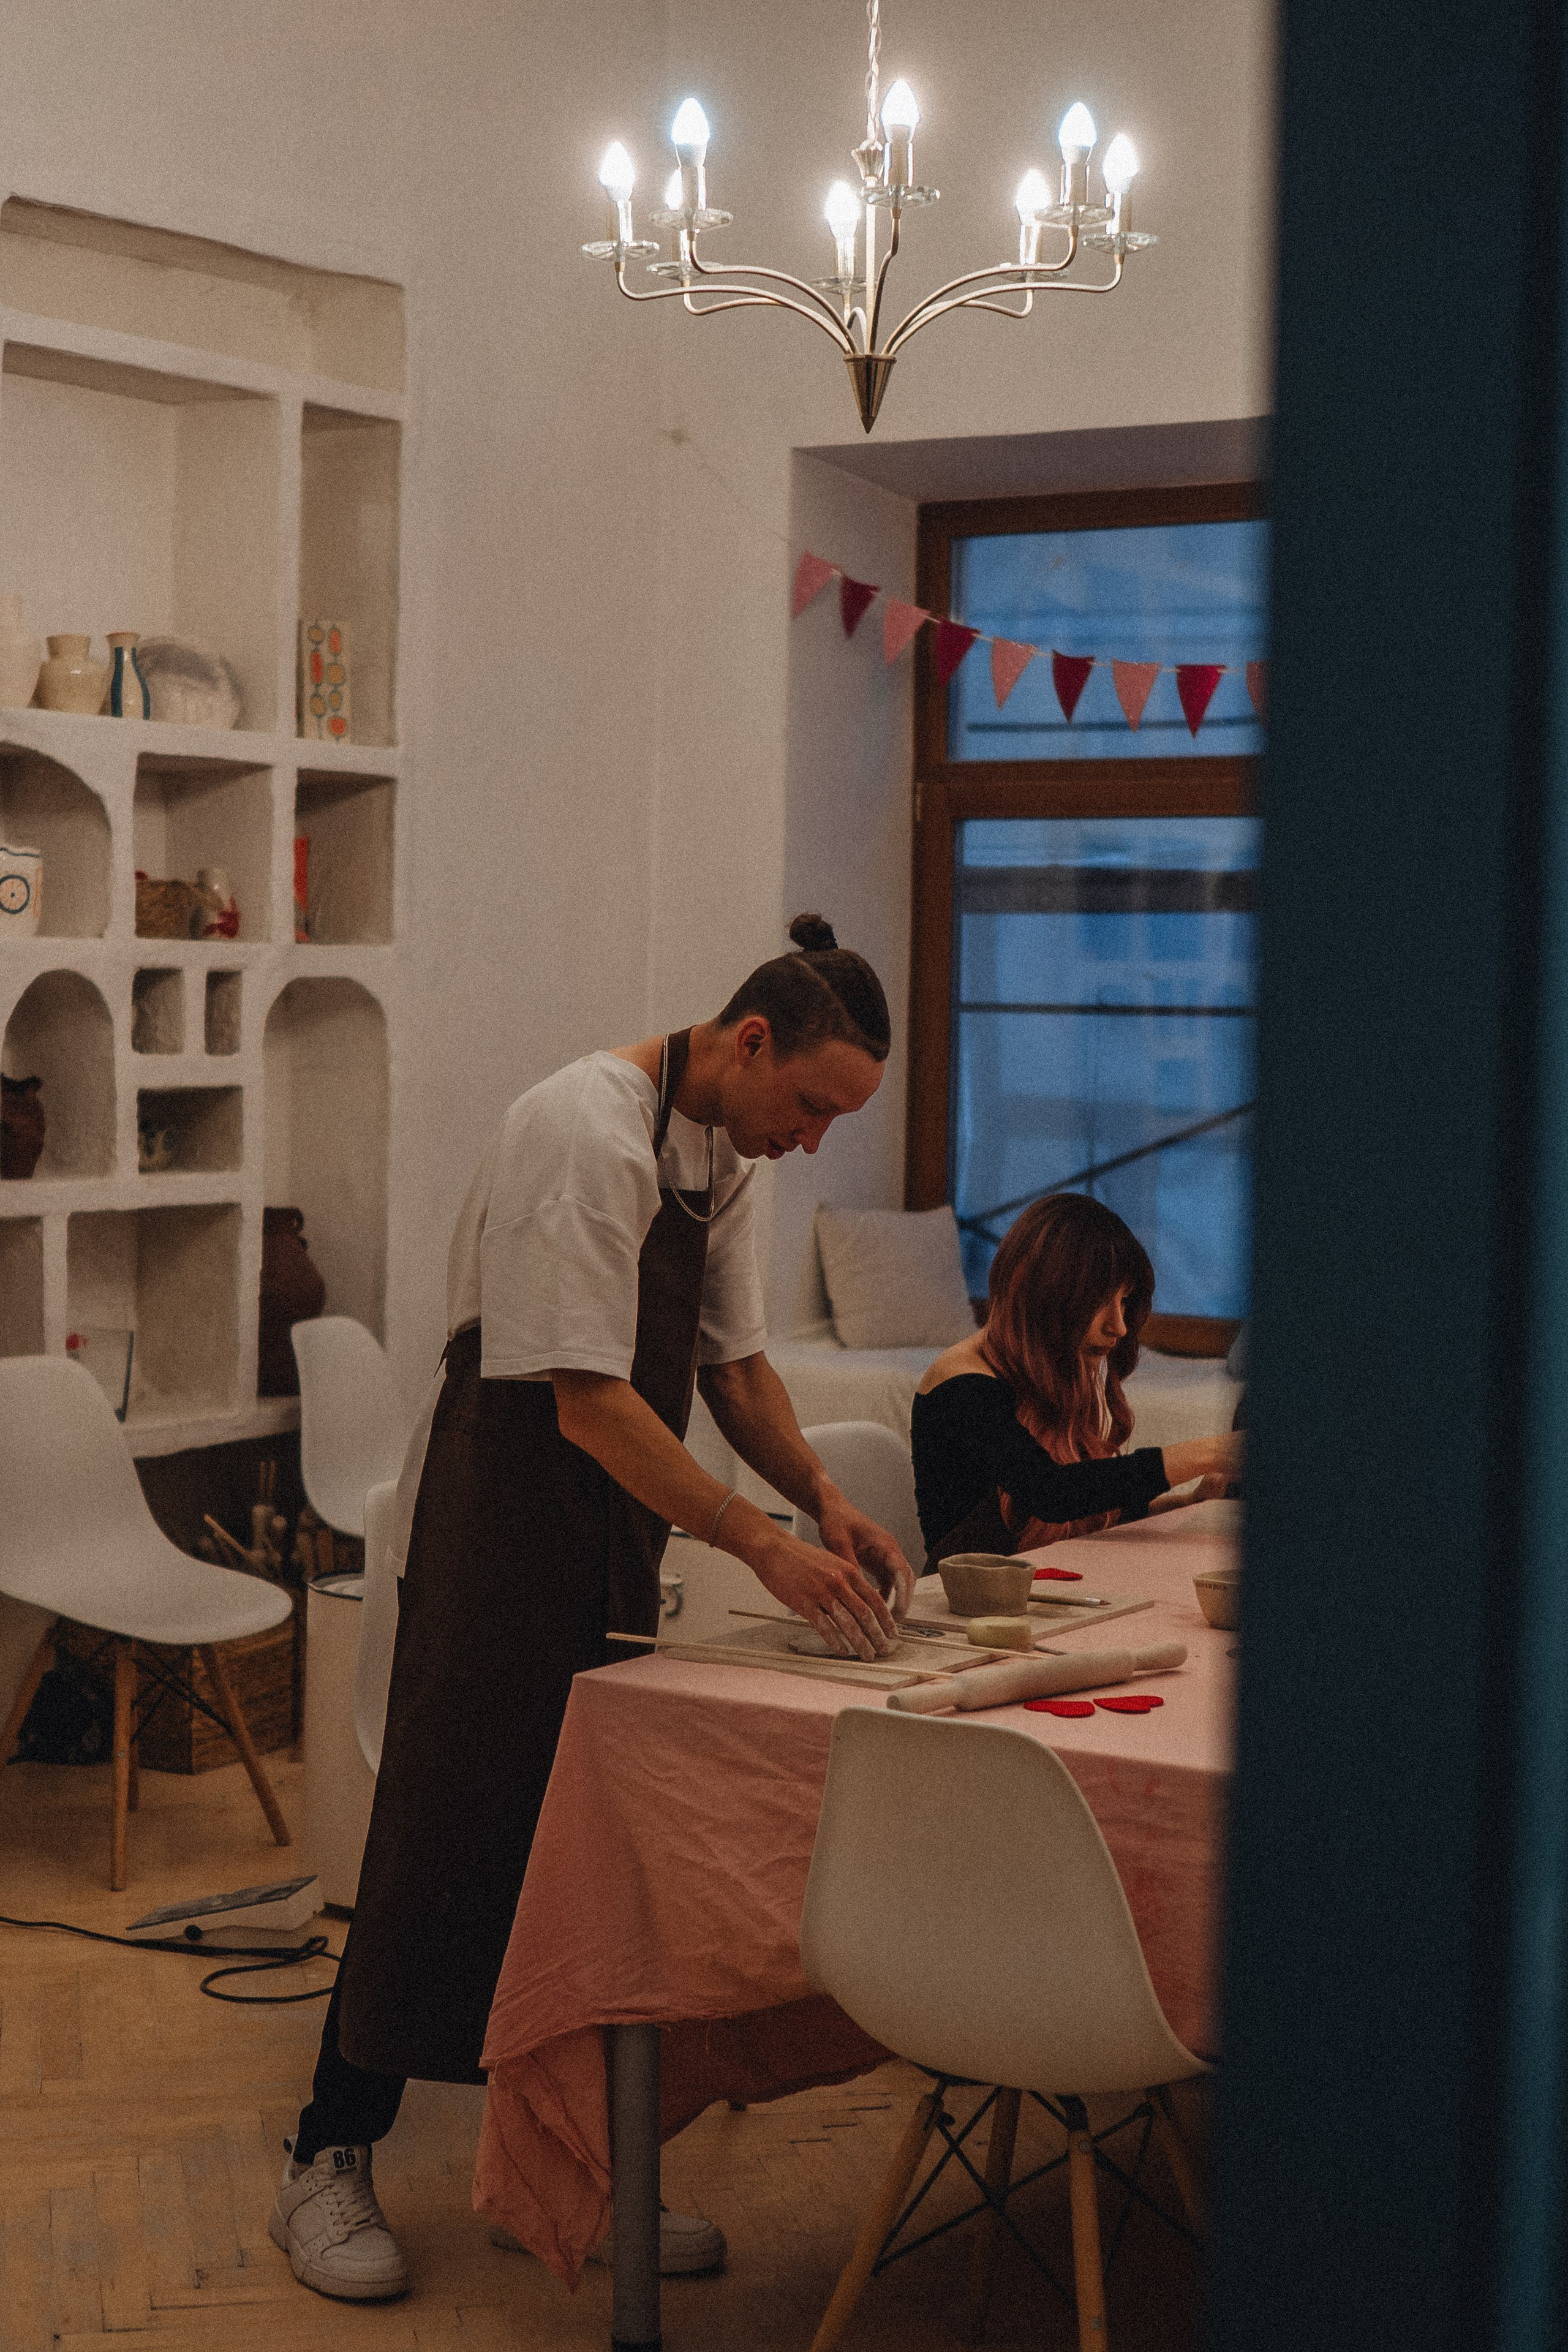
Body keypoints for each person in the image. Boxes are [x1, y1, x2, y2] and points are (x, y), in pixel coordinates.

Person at [271, 916, 915, 2303]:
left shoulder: (723, 1151)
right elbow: (583, 1395)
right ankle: (325, 2151)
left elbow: (733, 1368)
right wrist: (756, 1541)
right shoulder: (582, 1125)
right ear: (750, 1039)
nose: (810, 1140)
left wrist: (821, 1499)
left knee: (584, 1840)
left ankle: (554, 2171)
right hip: (503, 1506)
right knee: (449, 1825)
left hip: (608, 1517)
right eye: (809, 1104)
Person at [910, 1191, 1243, 1566]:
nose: (1118, 1326)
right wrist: (1213, 1452)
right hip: (964, 1604)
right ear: (1047, 1295)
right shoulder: (962, 1382)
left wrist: (1182, 1503)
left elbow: (1081, 1509)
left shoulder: (1048, 1367)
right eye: (1102, 1301)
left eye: (1124, 1301)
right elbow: (1051, 1494)